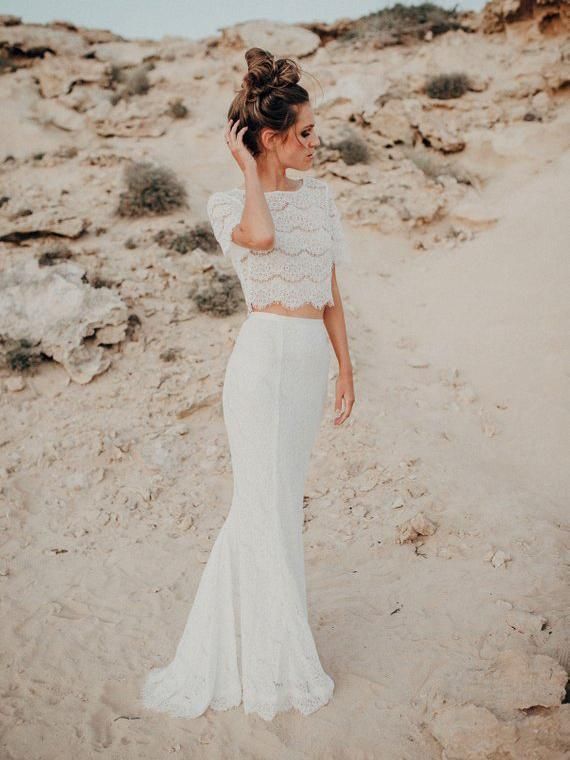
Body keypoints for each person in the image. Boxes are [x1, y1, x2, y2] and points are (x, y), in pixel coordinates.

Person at [141, 47, 355, 722]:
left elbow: (330, 296)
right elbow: (260, 240)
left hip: (307, 368)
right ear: (271, 138)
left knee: (281, 503)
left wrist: (347, 368)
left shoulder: (320, 202)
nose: (318, 143)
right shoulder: (229, 203)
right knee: (258, 506)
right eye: (306, 133)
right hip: (261, 368)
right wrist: (248, 173)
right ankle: (253, 655)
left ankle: (270, 640)